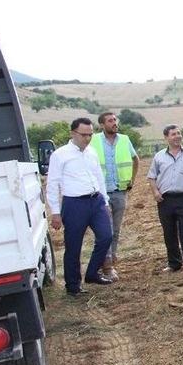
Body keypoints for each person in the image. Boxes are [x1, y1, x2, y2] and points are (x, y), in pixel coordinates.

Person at [46, 117, 113, 296]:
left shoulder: (92, 152)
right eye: (84, 135)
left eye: (90, 135)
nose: (87, 138)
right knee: (74, 246)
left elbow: (99, 177)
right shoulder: (60, 155)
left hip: (96, 201)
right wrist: (55, 212)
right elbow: (52, 184)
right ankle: (73, 286)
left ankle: (92, 273)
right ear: (73, 133)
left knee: (106, 236)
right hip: (74, 204)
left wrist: (105, 201)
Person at [89, 112, 139, 281]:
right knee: (105, 231)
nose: (114, 123)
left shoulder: (124, 139)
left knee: (115, 230)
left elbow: (135, 159)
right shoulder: (93, 140)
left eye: (115, 120)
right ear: (102, 125)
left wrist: (131, 180)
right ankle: (107, 267)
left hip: (119, 191)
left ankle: (110, 259)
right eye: (110, 121)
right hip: (100, 193)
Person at [148, 125, 183, 276]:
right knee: (169, 232)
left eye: (179, 133)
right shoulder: (159, 156)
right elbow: (151, 176)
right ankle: (174, 263)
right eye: (173, 134)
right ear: (166, 138)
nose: (177, 136)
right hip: (165, 200)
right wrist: (155, 192)